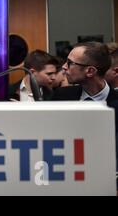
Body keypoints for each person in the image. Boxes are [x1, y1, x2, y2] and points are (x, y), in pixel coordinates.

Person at [51, 42, 118, 190]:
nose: (63, 67)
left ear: (90, 71)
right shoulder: (61, 96)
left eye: (70, 63)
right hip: (63, 180)